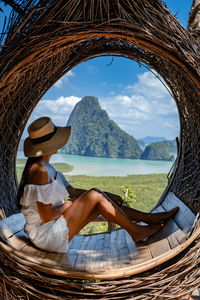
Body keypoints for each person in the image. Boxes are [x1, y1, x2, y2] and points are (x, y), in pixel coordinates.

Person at [17, 117, 178, 253]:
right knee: (94, 195)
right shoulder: (39, 171)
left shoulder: (46, 167)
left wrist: (107, 195)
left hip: (52, 228)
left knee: (99, 198)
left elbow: (72, 191)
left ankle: (149, 218)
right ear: (49, 145)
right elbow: (47, 216)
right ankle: (136, 231)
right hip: (47, 236)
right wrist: (69, 204)